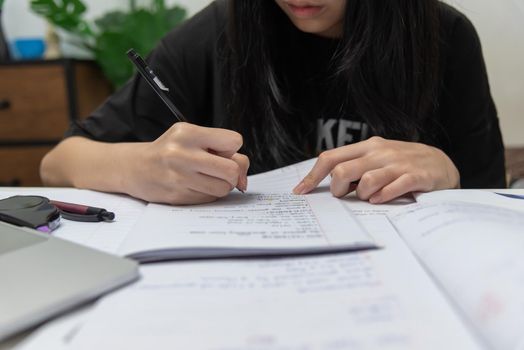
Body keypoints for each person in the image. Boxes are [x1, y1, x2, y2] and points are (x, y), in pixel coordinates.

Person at [40, 0, 506, 205]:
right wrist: (139, 167)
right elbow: (57, 164)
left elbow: (491, 194)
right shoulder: (221, 31)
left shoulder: (443, 36)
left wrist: (447, 170)